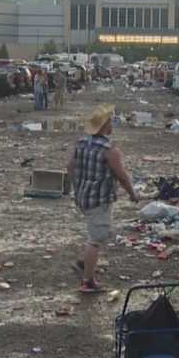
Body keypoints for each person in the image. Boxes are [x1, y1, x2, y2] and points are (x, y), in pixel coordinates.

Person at [67, 105, 138, 294]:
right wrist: (132, 194)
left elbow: (70, 167)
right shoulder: (109, 150)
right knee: (96, 238)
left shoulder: (81, 143)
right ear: (105, 125)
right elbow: (121, 176)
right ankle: (87, 280)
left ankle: (86, 264)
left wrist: (76, 188)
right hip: (99, 199)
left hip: (84, 197)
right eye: (110, 121)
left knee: (96, 233)